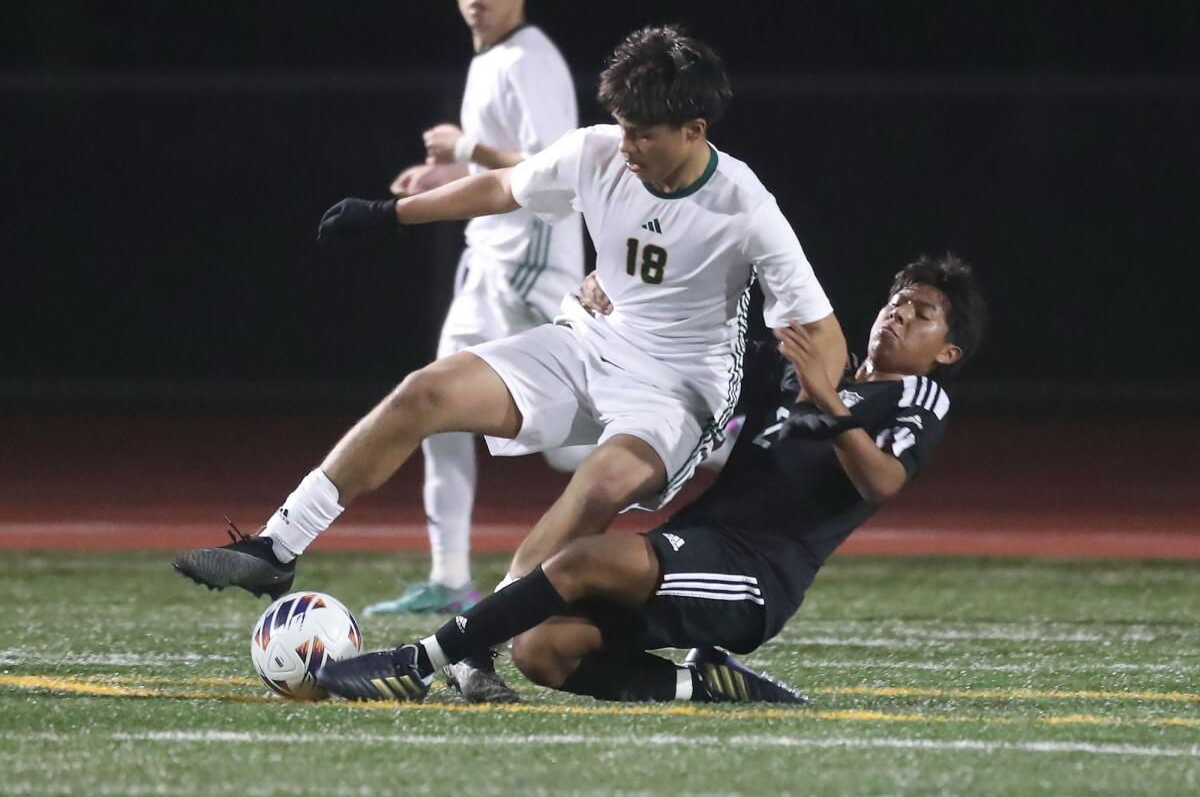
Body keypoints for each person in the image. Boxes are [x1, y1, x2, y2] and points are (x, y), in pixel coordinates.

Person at [173, 24, 847, 697]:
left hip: (676, 392)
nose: (628, 146)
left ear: (695, 129)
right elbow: (502, 188)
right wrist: (389, 214)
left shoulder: (746, 204)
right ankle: (277, 546)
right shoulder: (599, 152)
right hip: (587, 341)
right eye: (623, 127)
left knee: (598, 487)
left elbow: (823, 331)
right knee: (424, 392)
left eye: (645, 132)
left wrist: (825, 395)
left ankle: (476, 645)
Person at [315, 254, 987, 703]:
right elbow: (698, 351)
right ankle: (704, 684)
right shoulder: (805, 369)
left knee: (577, 561)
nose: (898, 315)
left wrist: (832, 404)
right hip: (698, 541)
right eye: (896, 303)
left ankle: (415, 664)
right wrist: (615, 297)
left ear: (947, 351)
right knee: (544, 650)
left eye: (921, 314)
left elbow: (883, 483)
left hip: (755, 576)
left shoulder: (917, 399)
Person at [368, 0, 588, 619]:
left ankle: (712, 428)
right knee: (436, 411)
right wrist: (446, 178)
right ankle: (450, 576)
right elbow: (505, 169)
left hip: (530, 268)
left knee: (576, 443)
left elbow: (556, 170)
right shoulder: (491, 58)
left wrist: (464, 148)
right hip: (488, 261)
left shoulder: (529, 58)